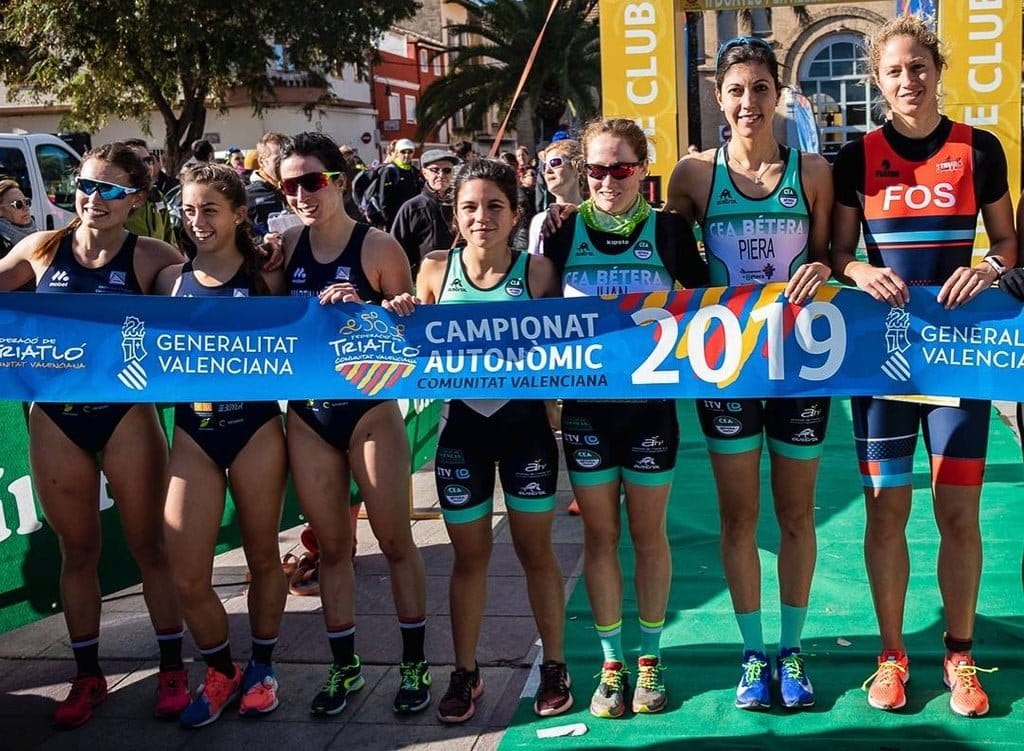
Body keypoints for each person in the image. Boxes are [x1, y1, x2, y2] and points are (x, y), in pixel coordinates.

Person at [830, 15, 1016, 718]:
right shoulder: (859, 156)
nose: (908, 80)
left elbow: (1007, 241)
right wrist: (857, 272)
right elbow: (837, 250)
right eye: (894, 71)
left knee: (958, 510)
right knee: (887, 510)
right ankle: (891, 655)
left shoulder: (979, 148)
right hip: (885, 356)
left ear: (936, 70)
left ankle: (960, 653)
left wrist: (991, 266)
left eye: (918, 67)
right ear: (877, 82)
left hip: (957, 357)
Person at [666, 35, 834, 711]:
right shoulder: (691, 175)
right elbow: (659, 246)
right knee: (740, 520)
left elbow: (828, 256)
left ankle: (791, 649)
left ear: (776, 94)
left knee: (795, 516)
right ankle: (751, 652)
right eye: (736, 90)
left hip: (799, 370)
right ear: (719, 97)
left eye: (760, 89)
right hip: (728, 371)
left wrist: (825, 266)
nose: (748, 102)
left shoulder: (813, 172)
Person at [0, 143, 189, 728]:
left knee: (148, 547)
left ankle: (173, 669)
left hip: (126, 413)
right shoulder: (39, 248)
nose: (93, 199)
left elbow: (205, 305)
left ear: (134, 197)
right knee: (76, 551)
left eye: (109, 190)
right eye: (84, 186)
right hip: (56, 418)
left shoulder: (152, 256)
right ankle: (87, 677)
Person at [383, 159, 572, 724]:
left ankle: (556, 665)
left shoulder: (536, 272)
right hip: (461, 431)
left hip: (525, 432)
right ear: (454, 214)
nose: (482, 216)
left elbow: (569, 346)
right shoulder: (435, 269)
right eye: (469, 206)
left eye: (495, 205)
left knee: (535, 552)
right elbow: (411, 339)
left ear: (516, 212)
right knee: (469, 559)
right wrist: (401, 312)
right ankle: (465, 672)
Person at [543, 118, 708, 718]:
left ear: (643, 169)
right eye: (595, 169)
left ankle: (651, 658)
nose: (608, 180)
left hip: (649, 413)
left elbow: (714, 305)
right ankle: (612, 663)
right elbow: (532, 312)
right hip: (587, 412)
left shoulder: (668, 231)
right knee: (599, 536)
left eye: (621, 168)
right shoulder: (561, 233)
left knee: (648, 536)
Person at [277, 131, 430, 717]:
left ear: (338, 180)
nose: (300, 194)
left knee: (393, 541)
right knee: (332, 550)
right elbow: (271, 326)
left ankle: (414, 662)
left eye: (311, 181)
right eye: (288, 184)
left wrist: (378, 310)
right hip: (310, 415)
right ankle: (346, 669)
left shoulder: (379, 248)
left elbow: (411, 343)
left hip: (369, 412)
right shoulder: (285, 248)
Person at [153, 164, 289, 727]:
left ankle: (261, 666)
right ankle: (220, 668)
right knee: (186, 573)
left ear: (238, 213)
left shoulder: (269, 275)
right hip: (193, 433)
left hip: (255, 427)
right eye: (187, 210)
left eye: (210, 209)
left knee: (262, 558)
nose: (197, 221)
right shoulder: (167, 280)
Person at [390, 149, 459, 275]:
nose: (441, 175)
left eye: (447, 170)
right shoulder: (412, 208)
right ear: (424, 173)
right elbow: (395, 249)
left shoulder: (461, 204)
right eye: (435, 170)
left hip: (460, 277)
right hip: (424, 278)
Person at [527, 140, 585, 255]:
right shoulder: (540, 221)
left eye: (555, 162)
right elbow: (533, 266)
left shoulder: (594, 217)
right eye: (544, 166)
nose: (547, 171)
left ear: (577, 167)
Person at [122, 139, 177, 246]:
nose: (146, 166)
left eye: (148, 161)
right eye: (137, 161)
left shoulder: (156, 196)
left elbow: (169, 238)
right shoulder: (117, 199)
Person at [246, 132, 288, 242]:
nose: (285, 165)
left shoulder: (299, 188)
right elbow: (238, 237)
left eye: (287, 158)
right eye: (279, 160)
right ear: (261, 161)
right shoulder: (246, 196)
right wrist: (262, 241)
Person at [376, 138, 423, 231]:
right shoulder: (389, 171)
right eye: (403, 152)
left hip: (412, 219)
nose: (406, 155)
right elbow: (383, 200)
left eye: (410, 152)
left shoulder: (414, 171)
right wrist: (389, 222)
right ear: (397, 152)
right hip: (395, 221)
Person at [0, 177, 37, 254]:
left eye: (26, 202)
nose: (26, 208)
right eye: (18, 204)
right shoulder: (2, 246)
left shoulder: (36, 234)